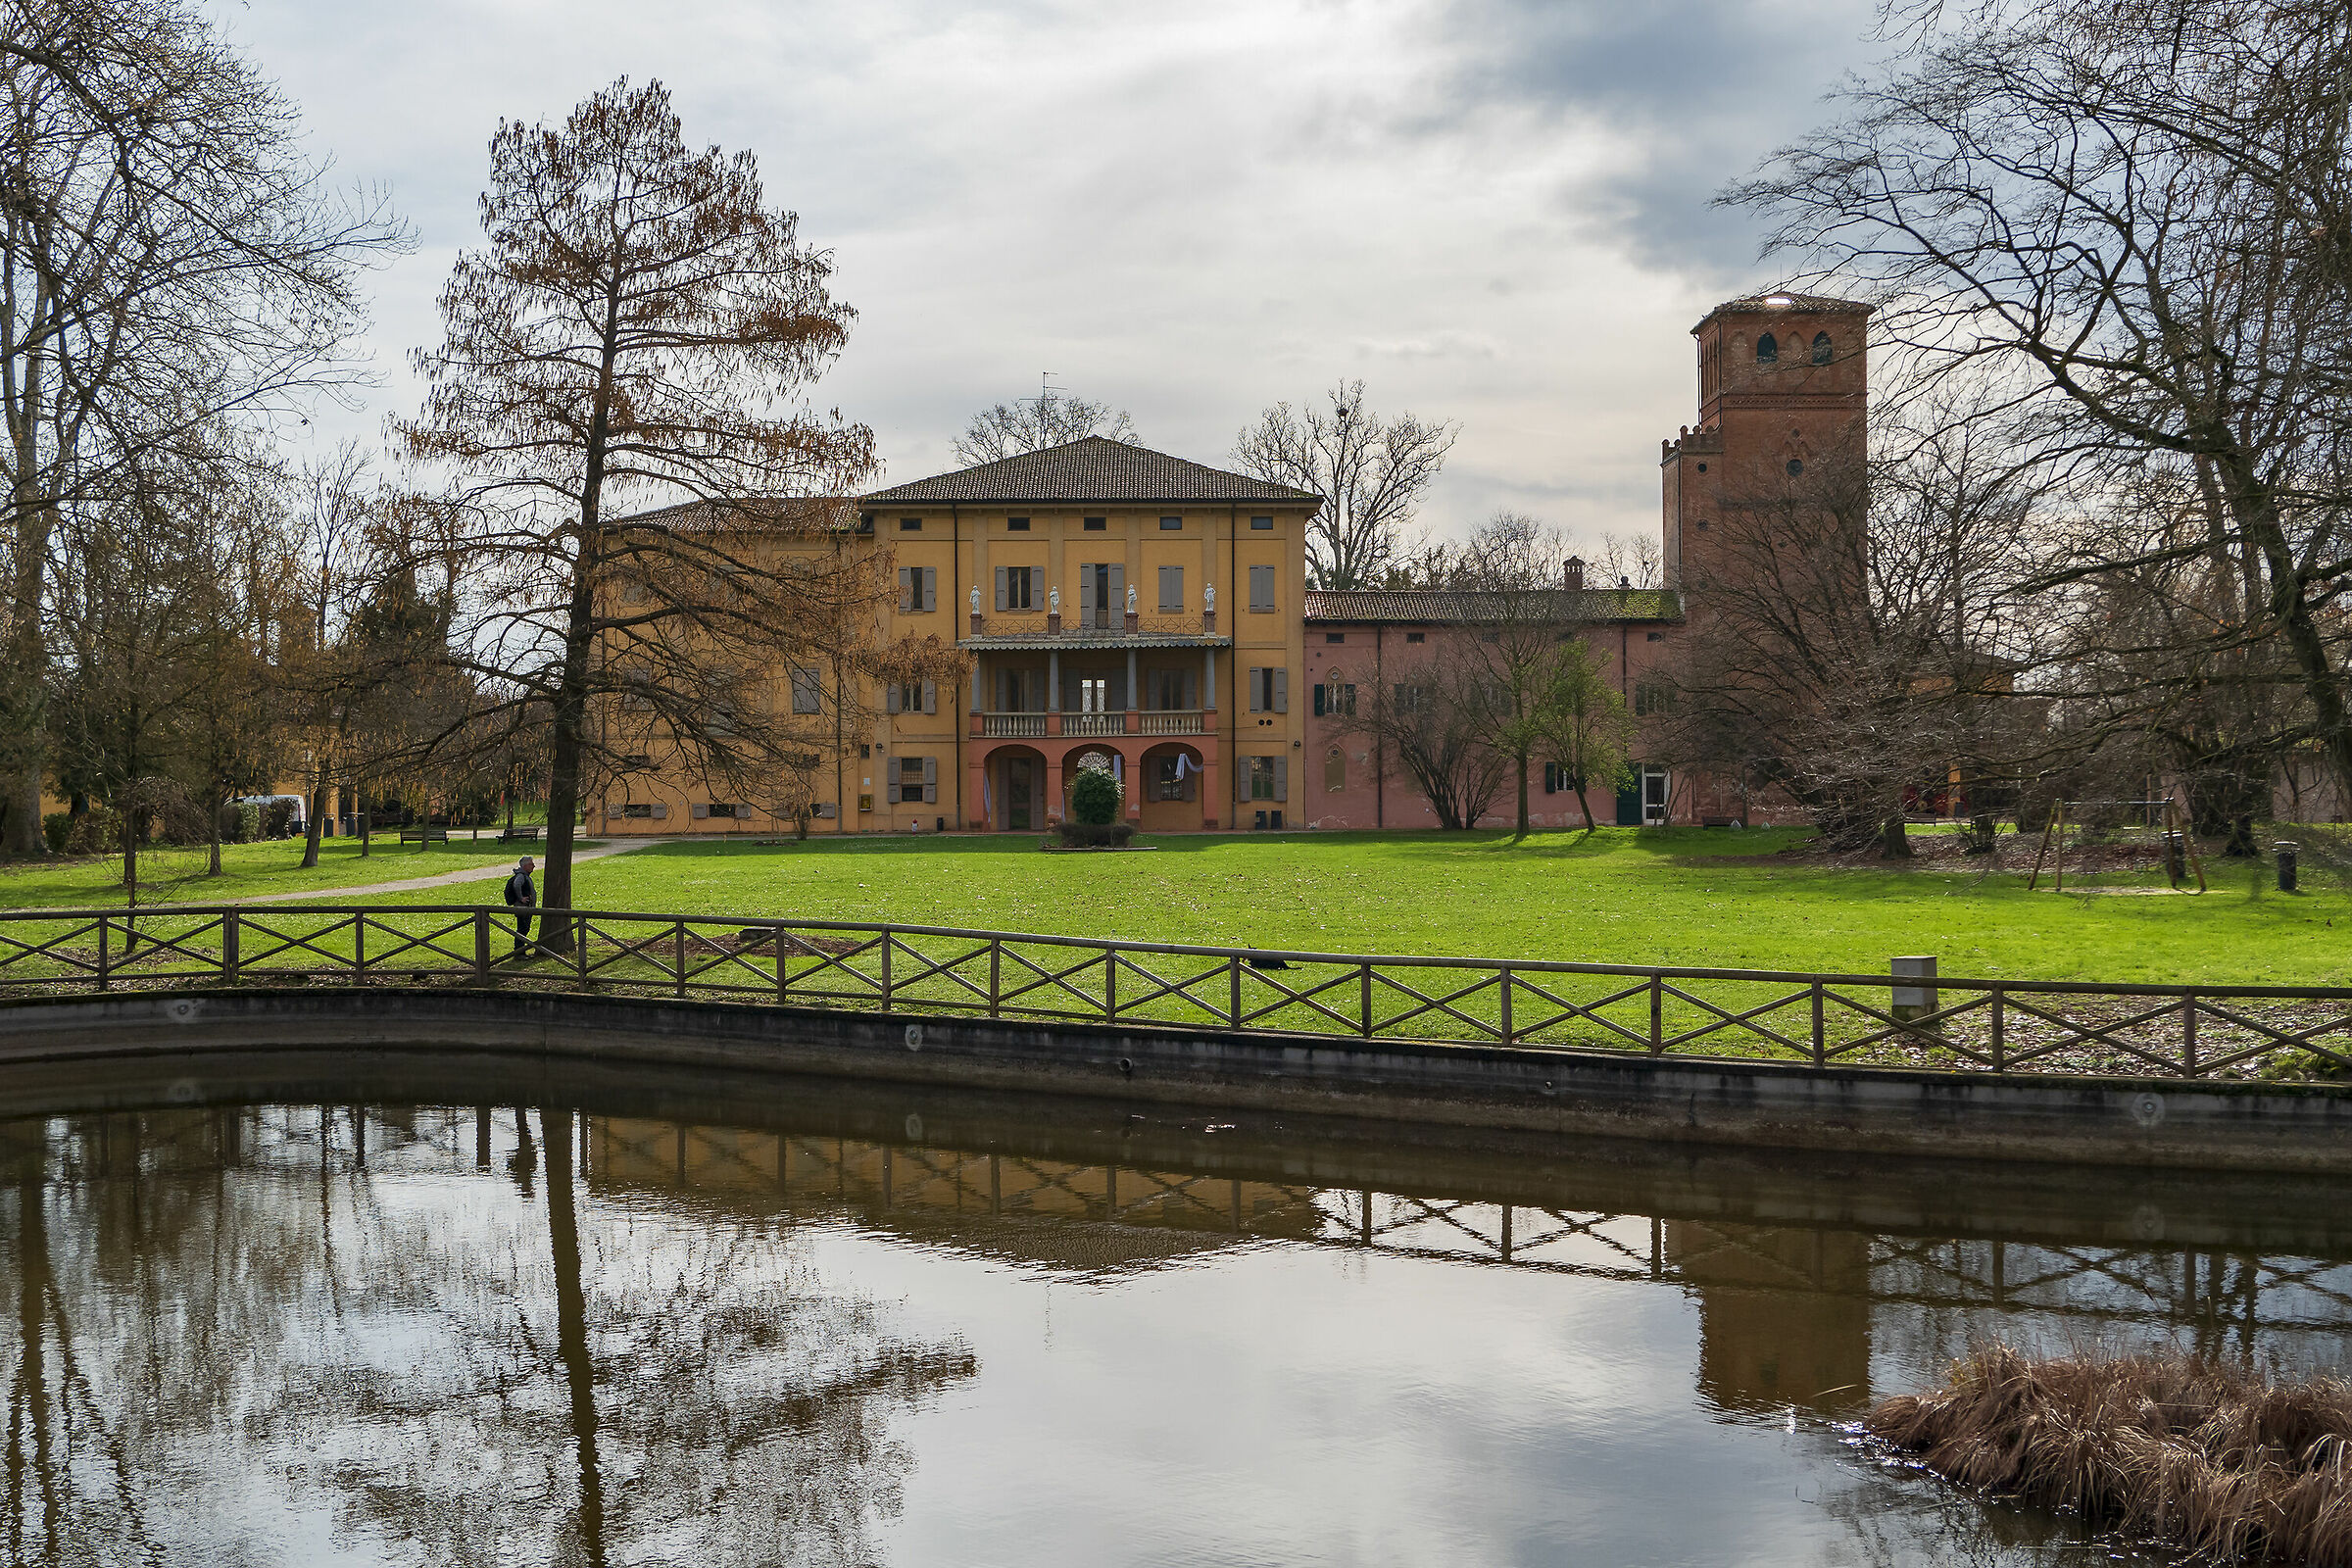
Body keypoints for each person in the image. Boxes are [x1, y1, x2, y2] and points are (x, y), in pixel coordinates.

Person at [502, 856, 537, 956]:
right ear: (525, 866)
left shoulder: (524, 876)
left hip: (525, 908)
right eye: (531, 864)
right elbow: (516, 885)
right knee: (522, 930)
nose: (533, 866)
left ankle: (520, 952)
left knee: (524, 929)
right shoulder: (521, 876)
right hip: (522, 908)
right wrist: (521, 898)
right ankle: (519, 953)